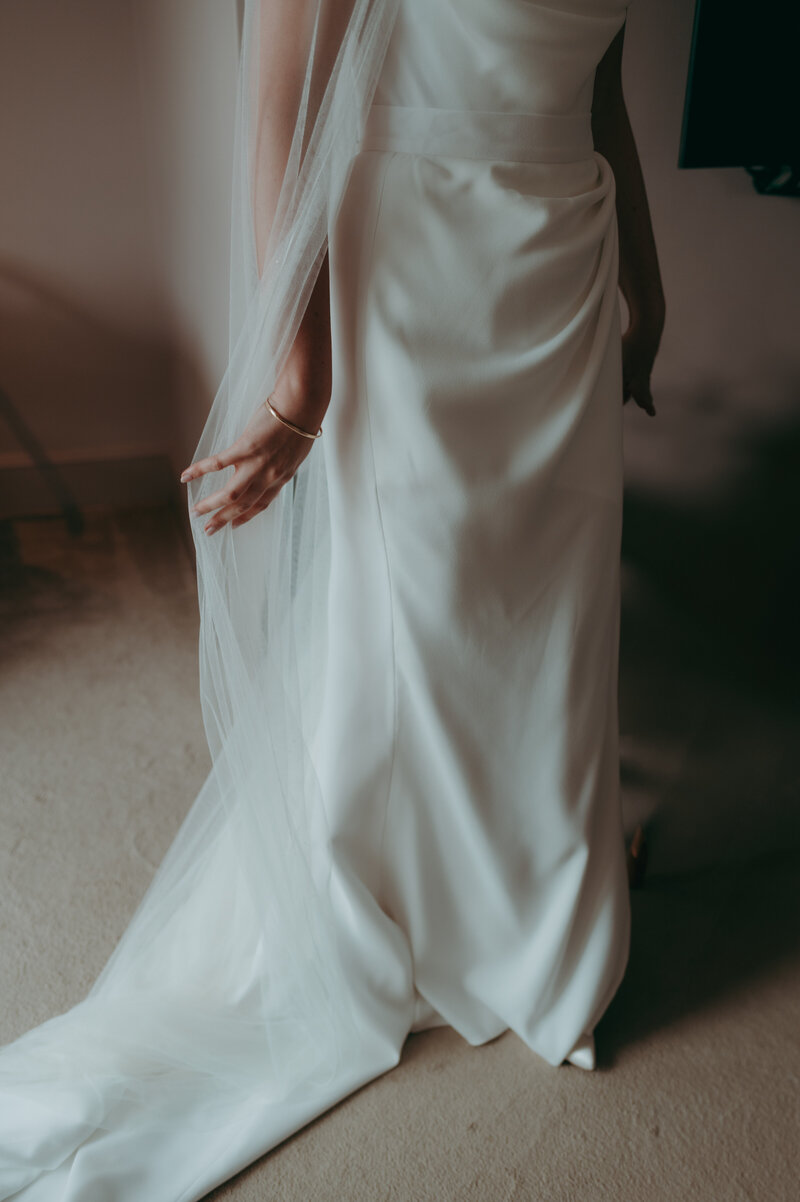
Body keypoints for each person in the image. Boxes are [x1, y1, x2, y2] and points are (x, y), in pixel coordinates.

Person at [0, 0, 663, 1197]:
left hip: (568, 248)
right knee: (420, 598)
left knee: (545, 607)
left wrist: (645, 282)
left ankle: (525, 885)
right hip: (416, 255)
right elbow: (279, 99)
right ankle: (401, 879)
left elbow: (601, 84)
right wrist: (298, 369)